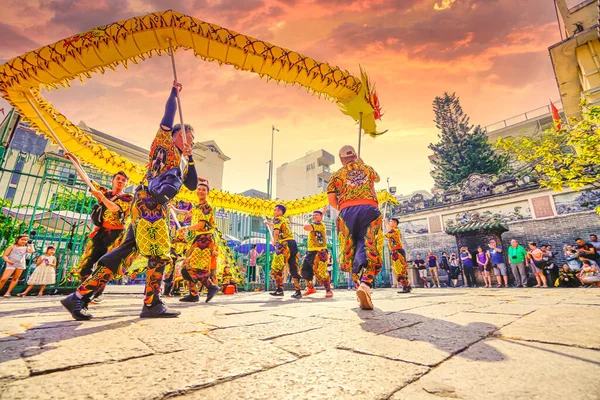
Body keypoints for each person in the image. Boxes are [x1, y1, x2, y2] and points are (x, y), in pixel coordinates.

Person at [62, 81, 198, 320]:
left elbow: (192, 185)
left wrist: (191, 158)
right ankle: (151, 303)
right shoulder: (163, 142)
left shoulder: (183, 163)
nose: (193, 140)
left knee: (127, 250)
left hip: (154, 210)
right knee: (158, 254)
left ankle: (79, 296)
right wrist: (173, 94)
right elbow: (167, 115)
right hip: (149, 207)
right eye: (190, 136)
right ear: (177, 134)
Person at [327, 145, 383, 310]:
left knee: (350, 249)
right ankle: (365, 285)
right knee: (371, 245)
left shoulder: (336, 175)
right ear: (356, 155)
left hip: (346, 212)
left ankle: (360, 285)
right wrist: (362, 163)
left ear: (341, 160)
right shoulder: (368, 169)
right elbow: (377, 179)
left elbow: (331, 201)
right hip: (370, 209)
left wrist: (345, 207)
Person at [69, 168, 133, 304]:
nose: (120, 181)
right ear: (113, 180)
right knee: (87, 262)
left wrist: (101, 197)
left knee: (105, 265)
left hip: (115, 236)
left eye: (124, 180)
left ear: (127, 184)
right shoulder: (105, 192)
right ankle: (84, 292)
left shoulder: (128, 198)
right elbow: (87, 180)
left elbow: (114, 208)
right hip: (100, 232)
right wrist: (76, 162)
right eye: (118, 179)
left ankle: (97, 294)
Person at [179, 178, 219, 303]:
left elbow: (202, 224)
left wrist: (186, 227)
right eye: (199, 189)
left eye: (204, 190)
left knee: (191, 267)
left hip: (205, 240)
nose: (201, 191)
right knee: (186, 269)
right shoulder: (198, 206)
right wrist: (174, 210)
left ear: (208, 192)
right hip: (198, 239)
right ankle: (194, 294)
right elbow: (188, 213)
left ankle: (211, 286)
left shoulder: (207, 206)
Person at [266, 204, 301, 298]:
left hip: (284, 244)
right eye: (274, 210)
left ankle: (280, 289)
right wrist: (271, 225)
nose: (274, 212)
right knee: (293, 267)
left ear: (281, 212)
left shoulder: (277, 218)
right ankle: (298, 291)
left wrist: (274, 241)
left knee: (276, 267)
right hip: (292, 243)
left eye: (276, 210)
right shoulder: (284, 219)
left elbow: (276, 231)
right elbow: (280, 226)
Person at [301, 209, 333, 298]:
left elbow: (306, 227)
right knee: (304, 271)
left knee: (322, 273)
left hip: (320, 252)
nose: (314, 216)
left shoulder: (319, 225)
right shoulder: (315, 224)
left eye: (317, 215)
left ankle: (328, 290)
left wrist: (305, 221)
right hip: (310, 252)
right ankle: (310, 288)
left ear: (321, 217)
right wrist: (322, 212)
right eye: (313, 215)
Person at [384, 218, 410, 293]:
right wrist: (385, 223)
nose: (390, 223)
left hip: (397, 252)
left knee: (399, 270)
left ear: (395, 223)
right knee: (399, 270)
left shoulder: (395, 230)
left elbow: (386, 234)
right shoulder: (394, 230)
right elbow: (389, 229)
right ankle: (407, 286)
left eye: (391, 222)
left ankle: (405, 287)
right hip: (395, 251)